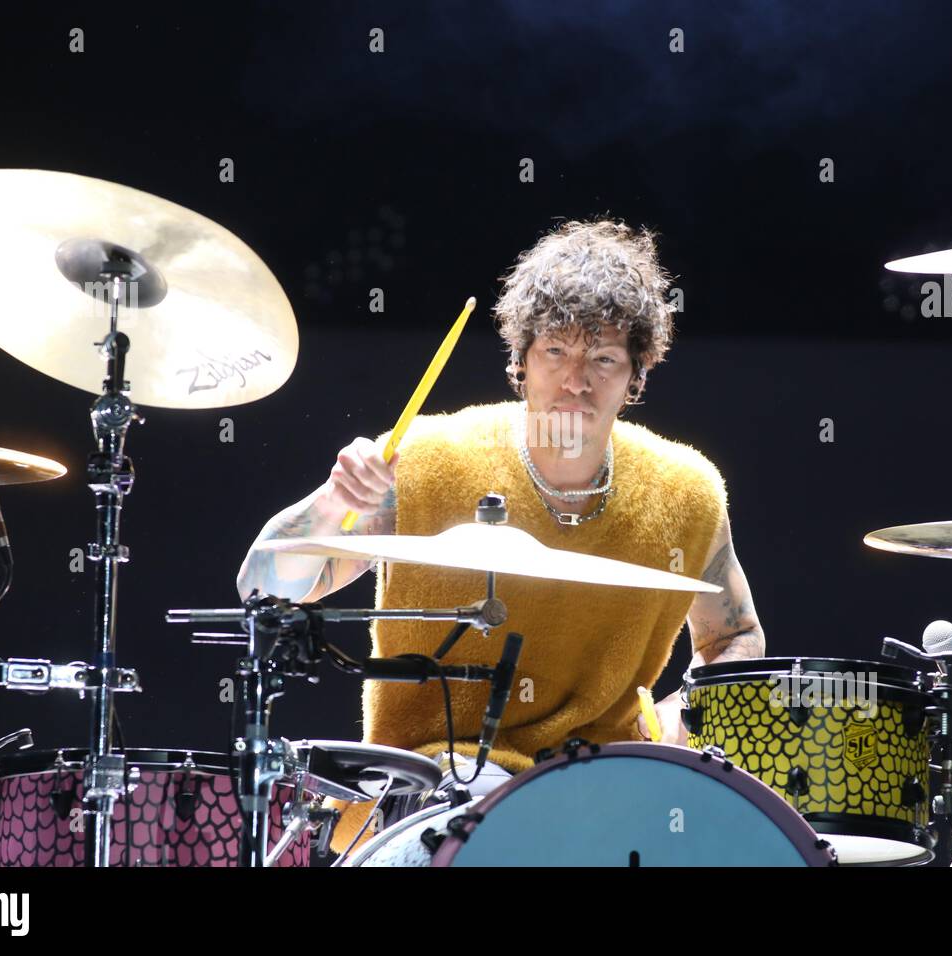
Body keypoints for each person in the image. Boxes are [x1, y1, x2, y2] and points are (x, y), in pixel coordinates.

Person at [236, 218, 764, 857]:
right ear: (520, 360)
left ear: (636, 374)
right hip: (439, 783)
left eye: (602, 358)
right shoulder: (426, 457)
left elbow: (734, 636)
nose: (576, 380)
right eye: (555, 353)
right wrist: (332, 503)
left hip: (613, 787)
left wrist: (677, 728)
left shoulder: (687, 491)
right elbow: (264, 585)